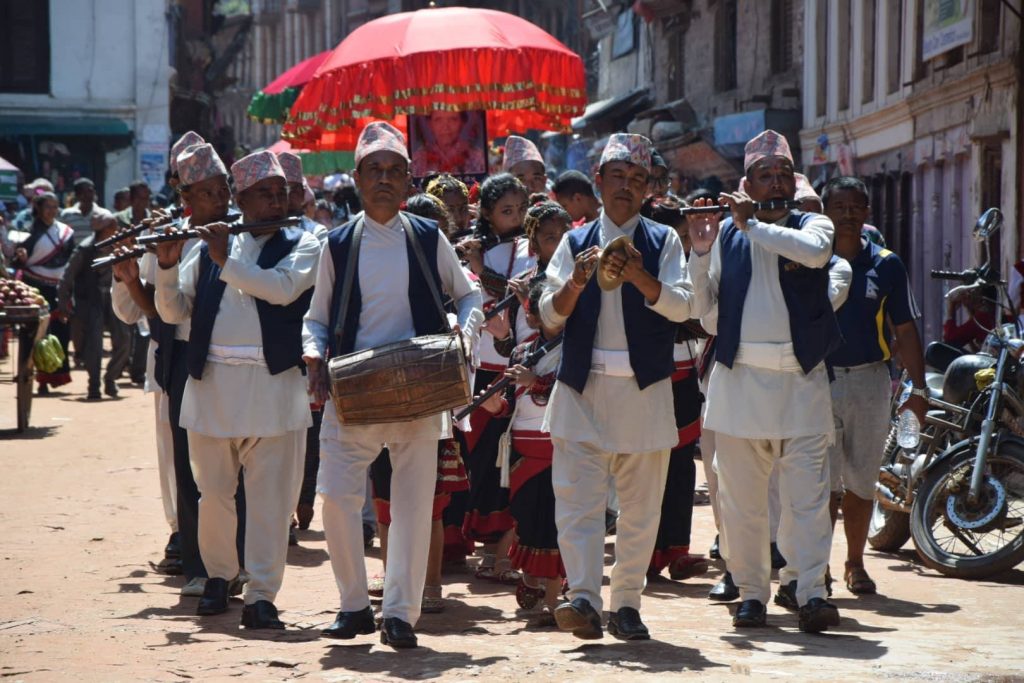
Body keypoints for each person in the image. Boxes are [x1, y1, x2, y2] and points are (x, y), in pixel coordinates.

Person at [303, 121, 482, 649]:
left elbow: (468, 295)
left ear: (409, 179)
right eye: (374, 170)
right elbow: (316, 318)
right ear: (357, 178)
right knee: (336, 498)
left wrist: (465, 331)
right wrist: (313, 353)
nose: (384, 179)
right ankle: (354, 606)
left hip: (422, 388)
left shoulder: (427, 236)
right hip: (352, 388)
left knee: (412, 508)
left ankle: (401, 614)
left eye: (394, 171)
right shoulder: (338, 243)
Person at [539, 133, 709, 641]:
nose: (627, 187)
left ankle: (628, 604)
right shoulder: (574, 243)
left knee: (640, 507)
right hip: (582, 390)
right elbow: (548, 315)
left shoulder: (663, 241)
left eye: (638, 179)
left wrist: (640, 277)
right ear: (599, 182)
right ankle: (584, 599)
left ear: (649, 188)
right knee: (577, 504)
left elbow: (685, 306)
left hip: (643, 393)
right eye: (617, 176)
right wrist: (575, 283)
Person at [685, 129, 850, 633]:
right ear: (747, 184)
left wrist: (751, 224)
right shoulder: (727, 236)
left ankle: (811, 592)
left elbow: (815, 255)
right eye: (765, 174)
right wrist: (699, 254)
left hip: (801, 385)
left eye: (784, 173)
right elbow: (707, 317)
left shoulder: (813, 224)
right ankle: (752, 594)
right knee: (743, 503)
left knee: (808, 501)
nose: (776, 181)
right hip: (740, 387)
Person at [154, 149, 319, 629]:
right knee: (213, 495)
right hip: (212, 390)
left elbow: (281, 289)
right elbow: (174, 313)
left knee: (270, 503)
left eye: (281, 193)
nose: (276, 202)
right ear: (239, 201)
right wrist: (166, 267)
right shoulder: (210, 243)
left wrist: (224, 258)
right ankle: (218, 578)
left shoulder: (307, 241)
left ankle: (262, 594)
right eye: (263, 194)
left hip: (274, 390)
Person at [113, 138, 245, 597]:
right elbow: (145, 311)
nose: (219, 199)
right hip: (181, 362)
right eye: (207, 192)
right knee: (189, 467)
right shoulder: (167, 236)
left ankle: (239, 561)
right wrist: (129, 277)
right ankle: (200, 563)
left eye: (222, 189)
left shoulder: (246, 233)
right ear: (185, 196)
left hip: (235, 362)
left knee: (238, 464)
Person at [821, 175, 926, 598]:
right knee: (821, 485)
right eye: (839, 207)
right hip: (818, 380)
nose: (847, 214)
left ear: (867, 212)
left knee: (862, 481)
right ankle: (817, 568)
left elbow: (906, 329)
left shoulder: (886, 264)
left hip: (871, 380)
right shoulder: (810, 260)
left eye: (855, 207)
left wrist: (919, 391)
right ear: (825, 213)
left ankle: (855, 563)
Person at [57, 210, 131, 399]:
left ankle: (110, 378)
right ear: (104, 229)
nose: (116, 229)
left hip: (114, 298)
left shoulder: (117, 245)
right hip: (91, 300)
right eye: (112, 226)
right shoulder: (85, 249)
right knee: (93, 345)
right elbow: (67, 277)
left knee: (124, 340)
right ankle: (94, 385)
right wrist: (63, 303)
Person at [9, 192, 75, 393]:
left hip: (59, 289)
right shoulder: (26, 232)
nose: (52, 211)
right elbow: (16, 261)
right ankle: (39, 379)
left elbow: (71, 260)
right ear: (38, 208)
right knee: (36, 335)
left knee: (61, 333)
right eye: (48, 207)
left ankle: (55, 374)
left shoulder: (65, 232)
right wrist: (20, 256)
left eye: (55, 207)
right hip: (34, 290)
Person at [411, 111, 487, 177]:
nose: (445, 127)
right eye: (438, 120)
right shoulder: (418, 159)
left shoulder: (477, 158)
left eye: (453, 119)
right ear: (430, 124)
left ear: (462, 123)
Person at [276, 151, 329, 245]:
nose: (288, 198)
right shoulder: (265, 231)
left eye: (294, 191)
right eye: (283, 192)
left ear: (302, 193)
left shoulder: (317, 232)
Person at [60, 178, 106, 244]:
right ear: (77, 195)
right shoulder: (66, 215)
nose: (87, 195)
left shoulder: (103, 215)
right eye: (82, 192)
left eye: (90, 191)